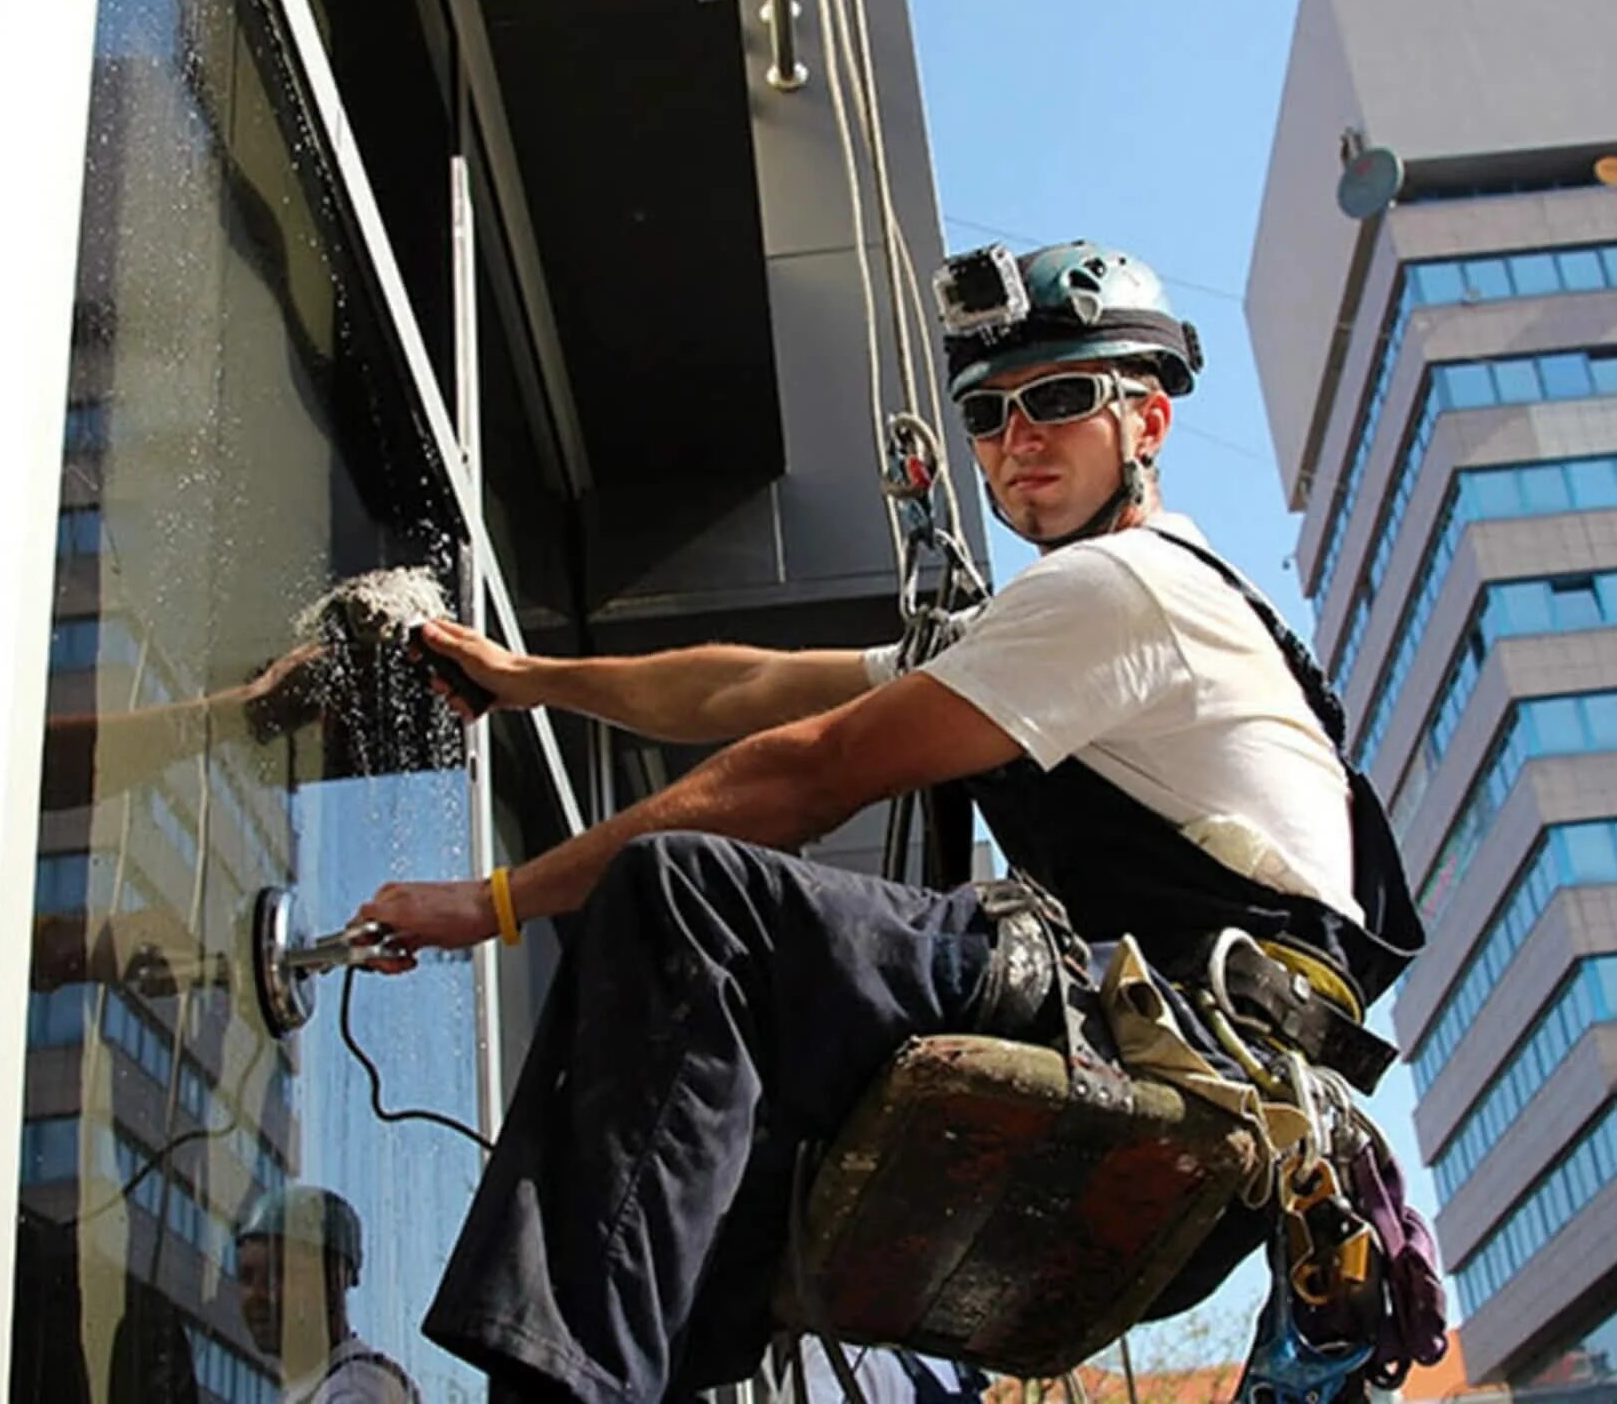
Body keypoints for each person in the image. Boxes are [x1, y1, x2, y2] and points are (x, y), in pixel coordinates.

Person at [358, 241, 1421, 1404]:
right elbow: (748, 687)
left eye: (1060, 400)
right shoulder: (1078, 616)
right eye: (986, 414)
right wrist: (529, 679)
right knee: (720, 1191)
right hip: (1194, 1080)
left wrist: (494, 903)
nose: (1017, 440)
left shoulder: (1121, 588)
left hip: (1177, 1046)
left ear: (1147, 423)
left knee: (690, 902)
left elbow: (810, 773)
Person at [235, 1185, 423, 1404]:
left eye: (280, 1275)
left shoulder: (356, 1389)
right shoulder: (318, 1387)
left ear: (336, 1280)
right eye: (246, 1278)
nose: (256, 1296)